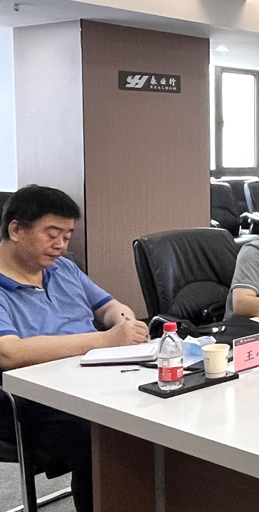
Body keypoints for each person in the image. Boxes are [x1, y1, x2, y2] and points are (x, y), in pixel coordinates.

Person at [0, 185, 150, 512]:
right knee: (105, 438)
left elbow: (108, 307)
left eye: (67, 236)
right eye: (52, 234)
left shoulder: (63, 268)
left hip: (91, 376)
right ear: (16, 229)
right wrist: (105, 340)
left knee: (155, 405)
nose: (61, 245)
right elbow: (9, 353)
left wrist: (125, 324)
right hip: (30, 401)